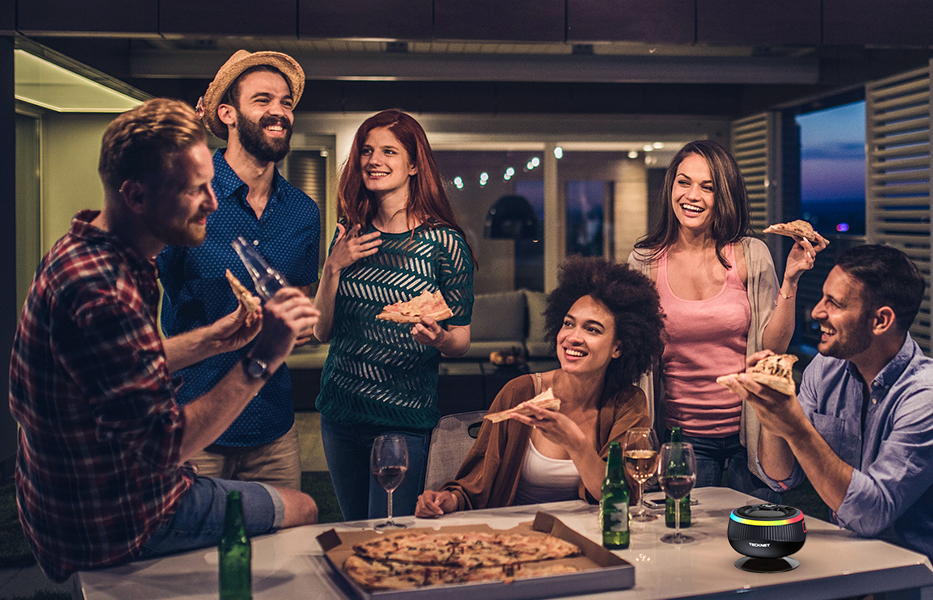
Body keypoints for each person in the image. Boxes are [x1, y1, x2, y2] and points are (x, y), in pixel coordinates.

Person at [9, 98, 320, 582]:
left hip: (72, 498)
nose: (214, 203)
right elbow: (163, 448)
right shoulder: (103, 294)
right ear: (135, 196)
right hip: (116, 517)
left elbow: (126, 363)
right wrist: (262, 356)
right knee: (302, 508)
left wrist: (217, 339)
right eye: (196, 190)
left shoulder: (86, 248)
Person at [723, 245, 933, 600]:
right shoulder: (828, 368)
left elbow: (870, 514)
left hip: (920, 588)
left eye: (836, 304)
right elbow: (780, 476)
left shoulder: (932, 400)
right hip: (850, 573)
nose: (817, 312)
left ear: (880, 321)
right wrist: (771, 407)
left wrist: (795, 424)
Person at [156, 49, 320, 491]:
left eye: (286, 102)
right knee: (194, 556)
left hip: (274, 425)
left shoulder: (304, 212)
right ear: (227, 113)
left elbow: (298, 303)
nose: (279, 112)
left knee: (285, 549)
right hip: (197, 422)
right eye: (263, 100)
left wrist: (297, 324)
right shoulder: (187, 196)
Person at [627, 139, 826, 501]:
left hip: (749, 435)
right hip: (680, 438)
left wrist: (792, 278)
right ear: (670, 185)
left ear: (725, 195)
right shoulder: (645, 260)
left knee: (759, 545)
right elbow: (633, 352)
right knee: (685, 546)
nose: (693, 195)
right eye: (684, 182)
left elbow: (773, 347)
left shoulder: (752, 253)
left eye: (708, 187)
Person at [312, 109, 476, 522]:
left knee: (389, 534)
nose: (373, 160)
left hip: (402, 421)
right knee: (354, 533)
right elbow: (321, 330)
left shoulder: (443, 243)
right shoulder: (349, 232)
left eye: (389, 151)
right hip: (339, 414)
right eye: (366, 150)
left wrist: (439, 338)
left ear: (414, 164)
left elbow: (460, 340)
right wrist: (333, 267)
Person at [415, 256, 664, 515]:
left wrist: (575, 442)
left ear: (618, 347)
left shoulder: (628, 402)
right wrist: (447, 500)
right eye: (568, 323)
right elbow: (475, 483)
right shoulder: (520, 391)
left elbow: (623, 497)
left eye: (592, 330)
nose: (572, 338)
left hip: (593, 537)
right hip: (517, 536)